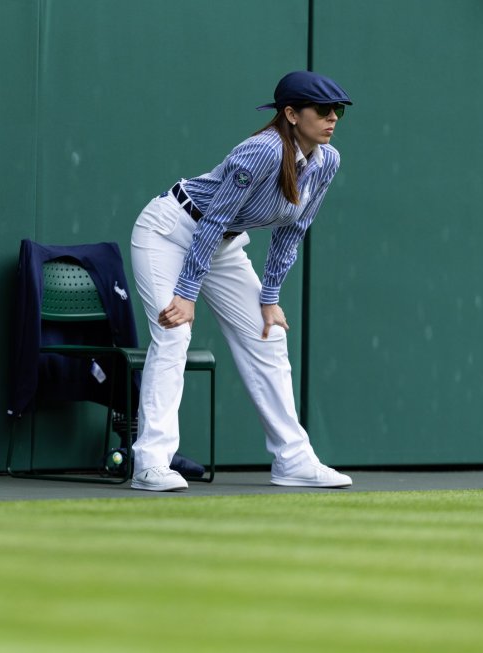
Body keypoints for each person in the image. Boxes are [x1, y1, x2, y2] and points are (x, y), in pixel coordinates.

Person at [129, 70, 353, 491]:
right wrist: (187, 292)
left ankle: (294, 460)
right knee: (175, 331)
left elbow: (293, 230)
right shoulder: (261, 152)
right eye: (322, 110)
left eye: (337, 110)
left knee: (268, 335)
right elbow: (213, 219)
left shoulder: (327, 161)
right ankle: (150, 462)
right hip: (169, 231)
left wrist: (270, 297)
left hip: (222, 246)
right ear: (290, 114)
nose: (332, 118)